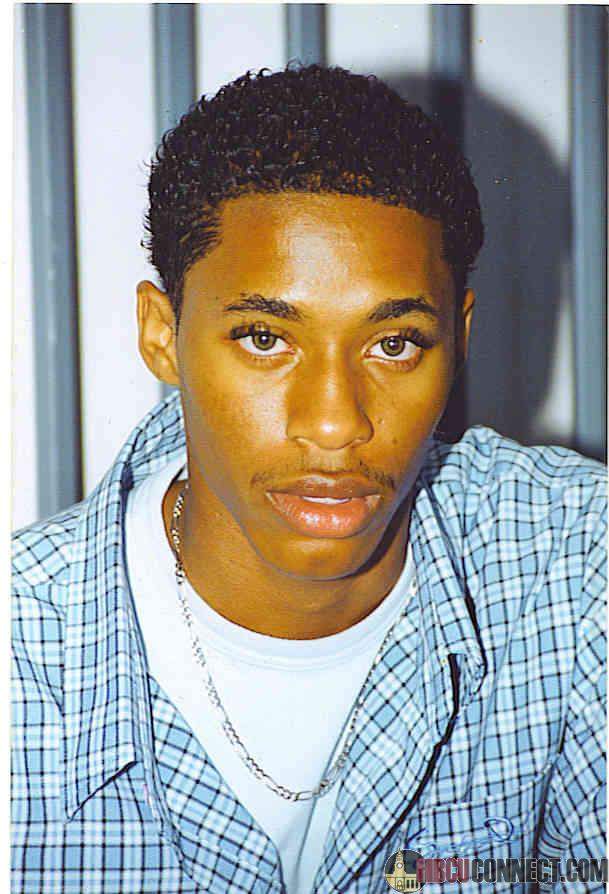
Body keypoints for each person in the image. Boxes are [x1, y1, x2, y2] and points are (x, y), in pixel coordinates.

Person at [12, 64, 606, 893]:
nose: (333, 424)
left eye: (393, 344)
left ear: (457, 338)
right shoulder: (23, 649)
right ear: (161, 335)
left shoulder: (572, 563)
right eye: (264, 339)